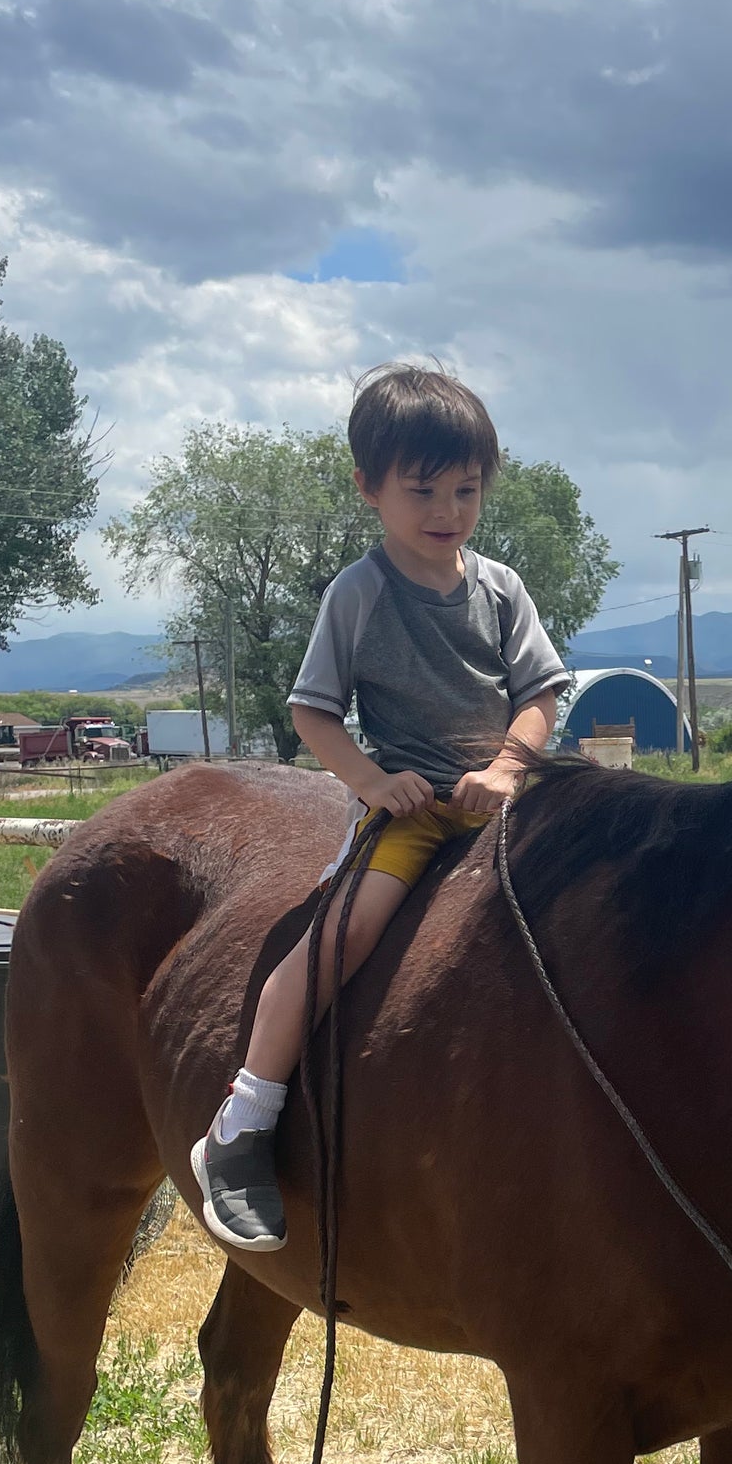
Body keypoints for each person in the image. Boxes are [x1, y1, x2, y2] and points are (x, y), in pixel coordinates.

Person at [190, 363, 571, 1252]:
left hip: (502, 799)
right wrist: (371, 783)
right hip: (415, 806)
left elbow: (542, 693)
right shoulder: (359, 593)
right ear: (370, 489)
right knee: (342, 936)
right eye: (423, 489)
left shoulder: (501, 588)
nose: (447, 509)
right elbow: (312, 711)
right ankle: (242, 1125)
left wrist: (510, 770)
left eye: (466, 489)